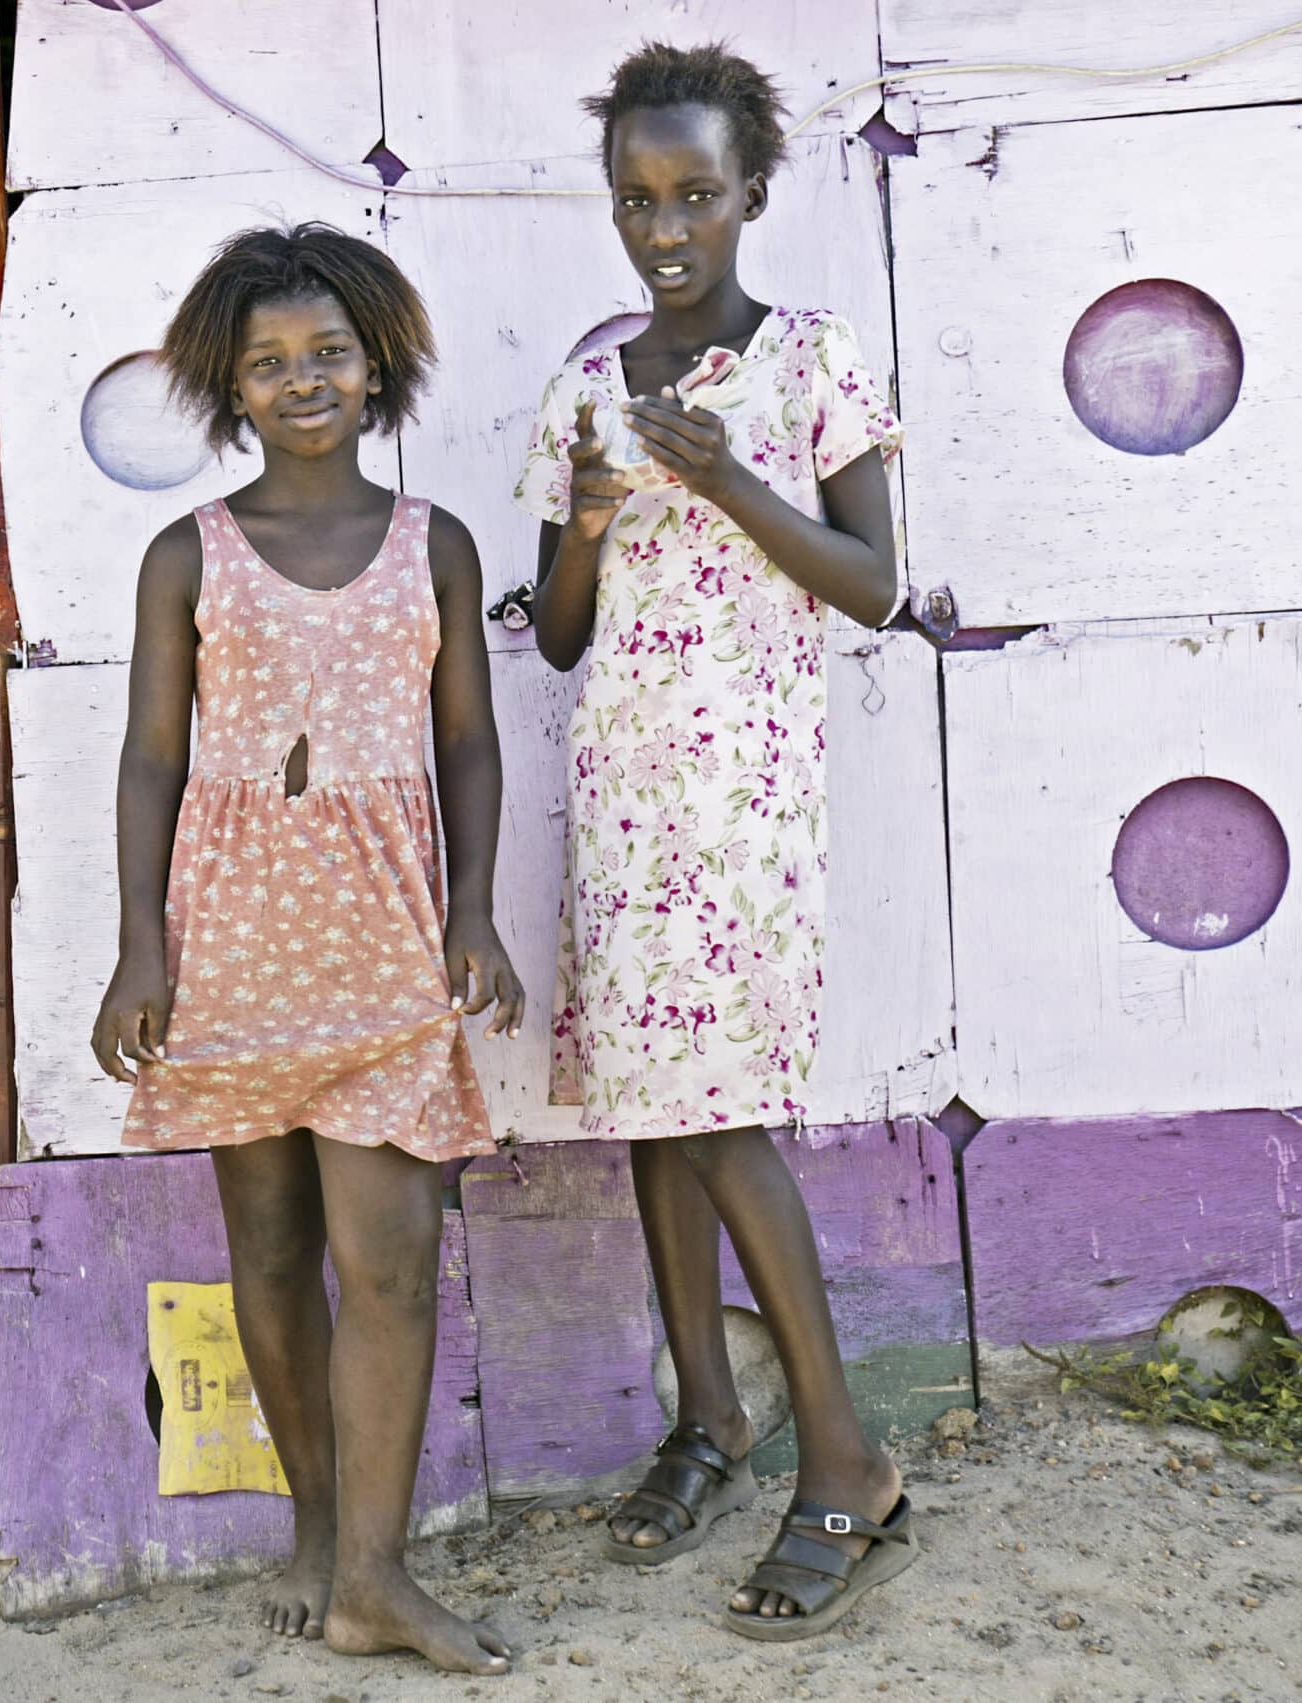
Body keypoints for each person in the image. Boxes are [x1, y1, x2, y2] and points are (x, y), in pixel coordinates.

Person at [515, 42, 916, 1641]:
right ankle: (709, 1418)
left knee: (722, 1108)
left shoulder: (813, 357)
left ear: (750, 191)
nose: (664, 227)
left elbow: (875, 587)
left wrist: (732, 479)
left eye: (694, 195)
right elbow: (552, 638)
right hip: (622, 792)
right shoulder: (587, 381)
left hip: (743, 804)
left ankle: (847, 1457)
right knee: (650, 1114)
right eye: (637, 199)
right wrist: (600, 521)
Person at [92, 222, 522, 1678]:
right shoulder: (188, 557)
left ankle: (380, 1577)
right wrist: (139, 949)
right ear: (230, 387)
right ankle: (323, 1532)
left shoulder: (434, 545)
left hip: (385, 939)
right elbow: (152, 762)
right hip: (232, 946)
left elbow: (465, 740)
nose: (303, 381)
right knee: (270, 1254)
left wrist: (472, 914)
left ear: (377, 361)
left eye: (327, 352)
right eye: (269, 363)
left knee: (388, 1262)